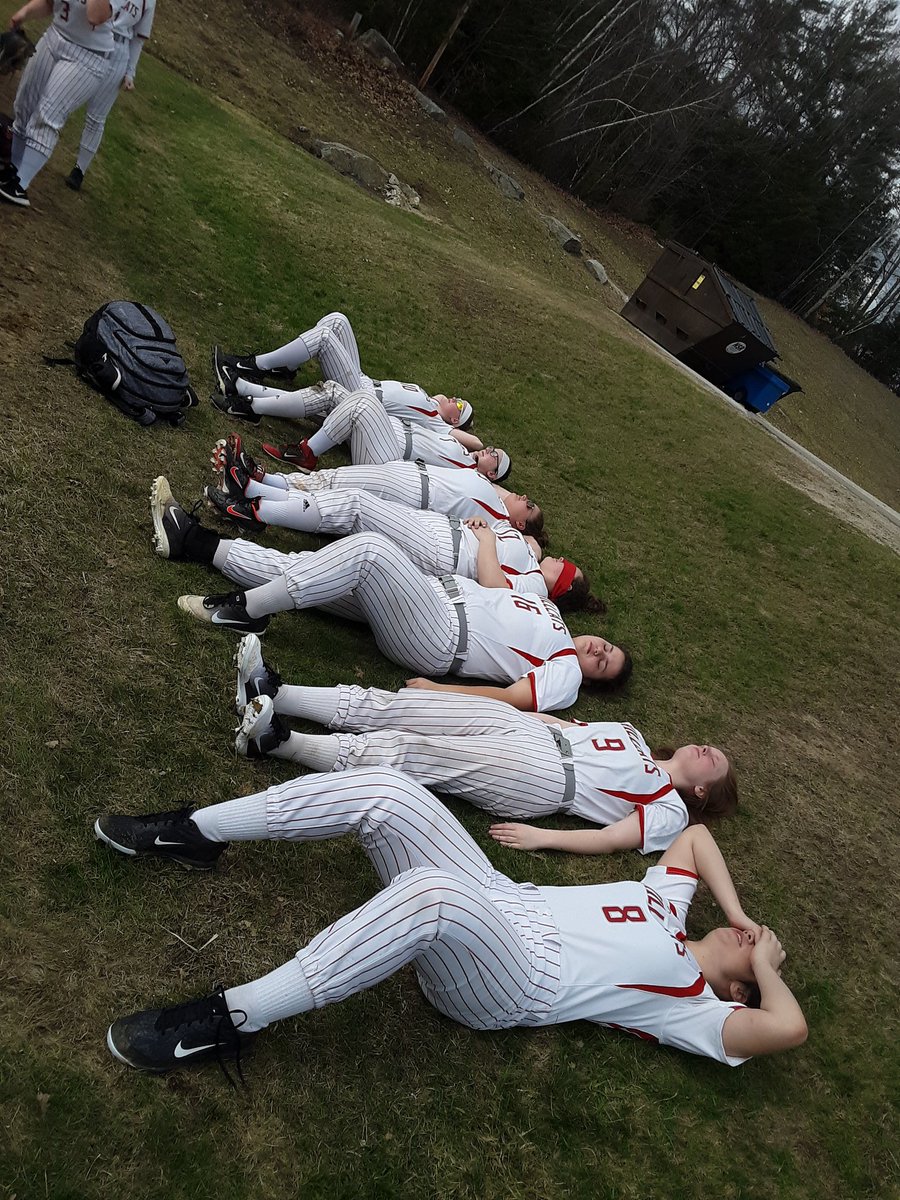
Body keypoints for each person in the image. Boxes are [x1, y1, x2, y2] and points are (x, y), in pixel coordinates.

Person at [94, 767, 807, 1075]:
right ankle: (191, 831)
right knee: (392, 792)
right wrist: (743, 917)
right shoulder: (668, 906)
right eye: (757, 936)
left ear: (740, 990)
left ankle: (228, 1022)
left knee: (434, 894)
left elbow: (787, 1029)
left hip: (517, 982)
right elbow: (696, 840)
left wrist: (770, 968)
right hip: (500, 896)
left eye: (756, 955)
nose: (753, 939)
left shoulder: (694, 1008)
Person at [150, 477, 630, 711]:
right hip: (431, 596)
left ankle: (246, 612)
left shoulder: (565, 675)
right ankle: (195, 543)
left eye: (603, 663)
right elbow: (493, 587)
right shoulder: (547, 609)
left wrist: (440, 692)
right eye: (606, 646)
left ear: (592, 680)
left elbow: (509, 699)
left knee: (369, 552)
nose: (597, 651)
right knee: (310, 570)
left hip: (440, 638)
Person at [230, 654, 735, 855]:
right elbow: (563, 724)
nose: (708, 749)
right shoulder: (632, 734)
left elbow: (612, 839)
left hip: (547, 780)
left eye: (714, 763)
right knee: (410, 707)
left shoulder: (670, 808)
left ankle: (280, 742)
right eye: (713, 748)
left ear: (701, 790)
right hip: (532, 734)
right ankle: (276, 690)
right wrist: (465, 700)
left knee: (419, 752)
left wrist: (542, 838)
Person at [205, 435, 596, 605]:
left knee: (355, 507)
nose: (560, 561)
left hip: (446, 554)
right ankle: (254, 492)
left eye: (566, 570)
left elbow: (496, 587)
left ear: (561, 586)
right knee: (350, 503)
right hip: (440, 531)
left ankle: (253, 506)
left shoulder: (537, 591)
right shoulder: (528, 555)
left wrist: (493, 541)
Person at [211, 311, 475, 448]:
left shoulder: (436, 425)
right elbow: (443, 400)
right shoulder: (430, 401)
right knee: (338, 321)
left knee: (325, 338)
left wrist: (453, 423)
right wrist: (444, 403)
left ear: (454, 421)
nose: (456, 399)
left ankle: (254, 366)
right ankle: (286, 366)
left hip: (359, 396)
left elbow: (474, 443)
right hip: (363, 381)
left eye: (460, 407)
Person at [210, 440, 546, 536]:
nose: (526, 498)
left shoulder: (501, 526)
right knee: (332, 486)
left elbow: (534, 549)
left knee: (333, 489)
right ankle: (255, 485)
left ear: (520, 523)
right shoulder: (498, 500)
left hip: (414, 493)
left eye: (529, 508)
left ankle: (256, 491)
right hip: (413, 477)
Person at [217, 387, 508, 478]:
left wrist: (484, 467)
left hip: (385, 457)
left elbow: (476, 440)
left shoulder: (471, 475)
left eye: (493, 457)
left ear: (492, 474)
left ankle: (306, 453)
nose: (487, 450)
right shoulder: (459, 448)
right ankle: (246, 395)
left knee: (356, 401)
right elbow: (474, 443)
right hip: (381, 430)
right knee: (333, 392)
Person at [1, 0, 116, 207]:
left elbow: (95, 16)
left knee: (47, 115)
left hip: (89, 56)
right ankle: (13, 171)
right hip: (55, 37)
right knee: (23, 106)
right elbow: (52, 3)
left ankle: (21, 184)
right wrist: (25, 12)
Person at [65, 0, 155, 191]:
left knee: (97, 116)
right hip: (93, 36)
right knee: (64, 95)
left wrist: (130, 71)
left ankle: (80, 169)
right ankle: (34, 144)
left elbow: (138, 39)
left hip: (119, 49)